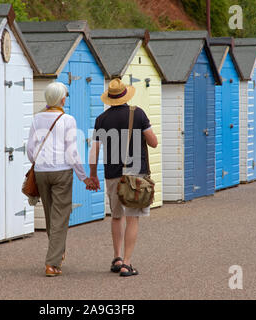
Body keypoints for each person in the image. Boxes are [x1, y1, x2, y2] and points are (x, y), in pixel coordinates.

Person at [89, 78, 158, 277]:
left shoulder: (101, 119)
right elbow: (153, 142)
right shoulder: (138, 114)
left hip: (112, 175)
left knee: (116, 216)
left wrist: (93, 175)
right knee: (133, 218)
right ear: (126, 95)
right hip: (135, 174)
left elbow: (94, 151)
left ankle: (117, 258)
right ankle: (127, 264)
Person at [27, 82, 96, 277]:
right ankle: (52, 263)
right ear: (61, 99)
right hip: (61, 172)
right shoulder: (68, 119)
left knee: (51, 216)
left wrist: (39, 163)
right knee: (60, 216)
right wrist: (84, 177)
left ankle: (57, 253)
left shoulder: (36, 118)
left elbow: (30, 150)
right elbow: (72, 152)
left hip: (41, 171)